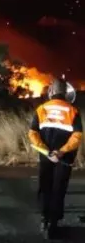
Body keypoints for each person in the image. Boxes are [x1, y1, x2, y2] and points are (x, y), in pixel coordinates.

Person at [28, 78, 82, 239]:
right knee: (59, 188)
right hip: (64, 159)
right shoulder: (73, 111)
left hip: (46, 158)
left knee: (45, 185)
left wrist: (46, 151)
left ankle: (44, 219)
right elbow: (77, 136)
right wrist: (62, 152)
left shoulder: (41, 109)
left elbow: (32, 133)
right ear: (66, 93)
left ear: (51, 92)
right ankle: (54, 222)